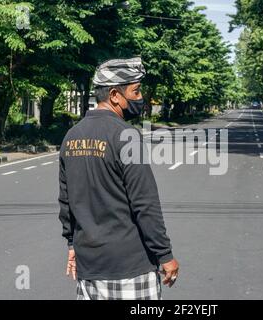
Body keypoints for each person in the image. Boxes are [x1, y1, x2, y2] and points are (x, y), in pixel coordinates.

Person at [58, 57, 179, 300]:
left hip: (89, 269)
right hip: (130, 268)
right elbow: (145, 204)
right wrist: (165, 255)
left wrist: (72, 245)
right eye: (136, 91)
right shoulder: (126, 135)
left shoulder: (71, 136)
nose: (140, 97)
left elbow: (66, 202)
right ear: (115, 95)